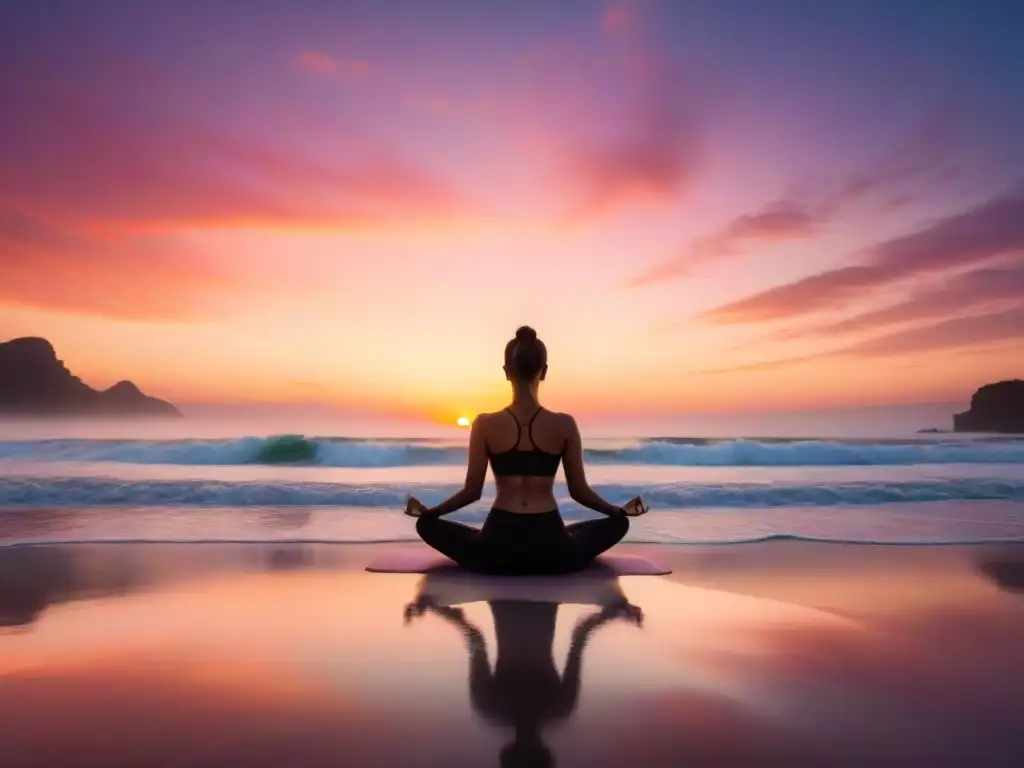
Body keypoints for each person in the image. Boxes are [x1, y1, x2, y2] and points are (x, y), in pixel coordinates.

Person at [404, 325, 650, 575]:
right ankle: (575, 534)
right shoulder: (564, 424)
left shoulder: (484, 424)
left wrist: (431, 512)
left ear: (506, 371)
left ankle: (482, 540)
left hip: (496, 548)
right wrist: (617, 511)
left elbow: (471, 492)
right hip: (552, 548)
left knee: (427, 526)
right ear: (543, 372)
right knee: (616, 525)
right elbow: (579, 492)